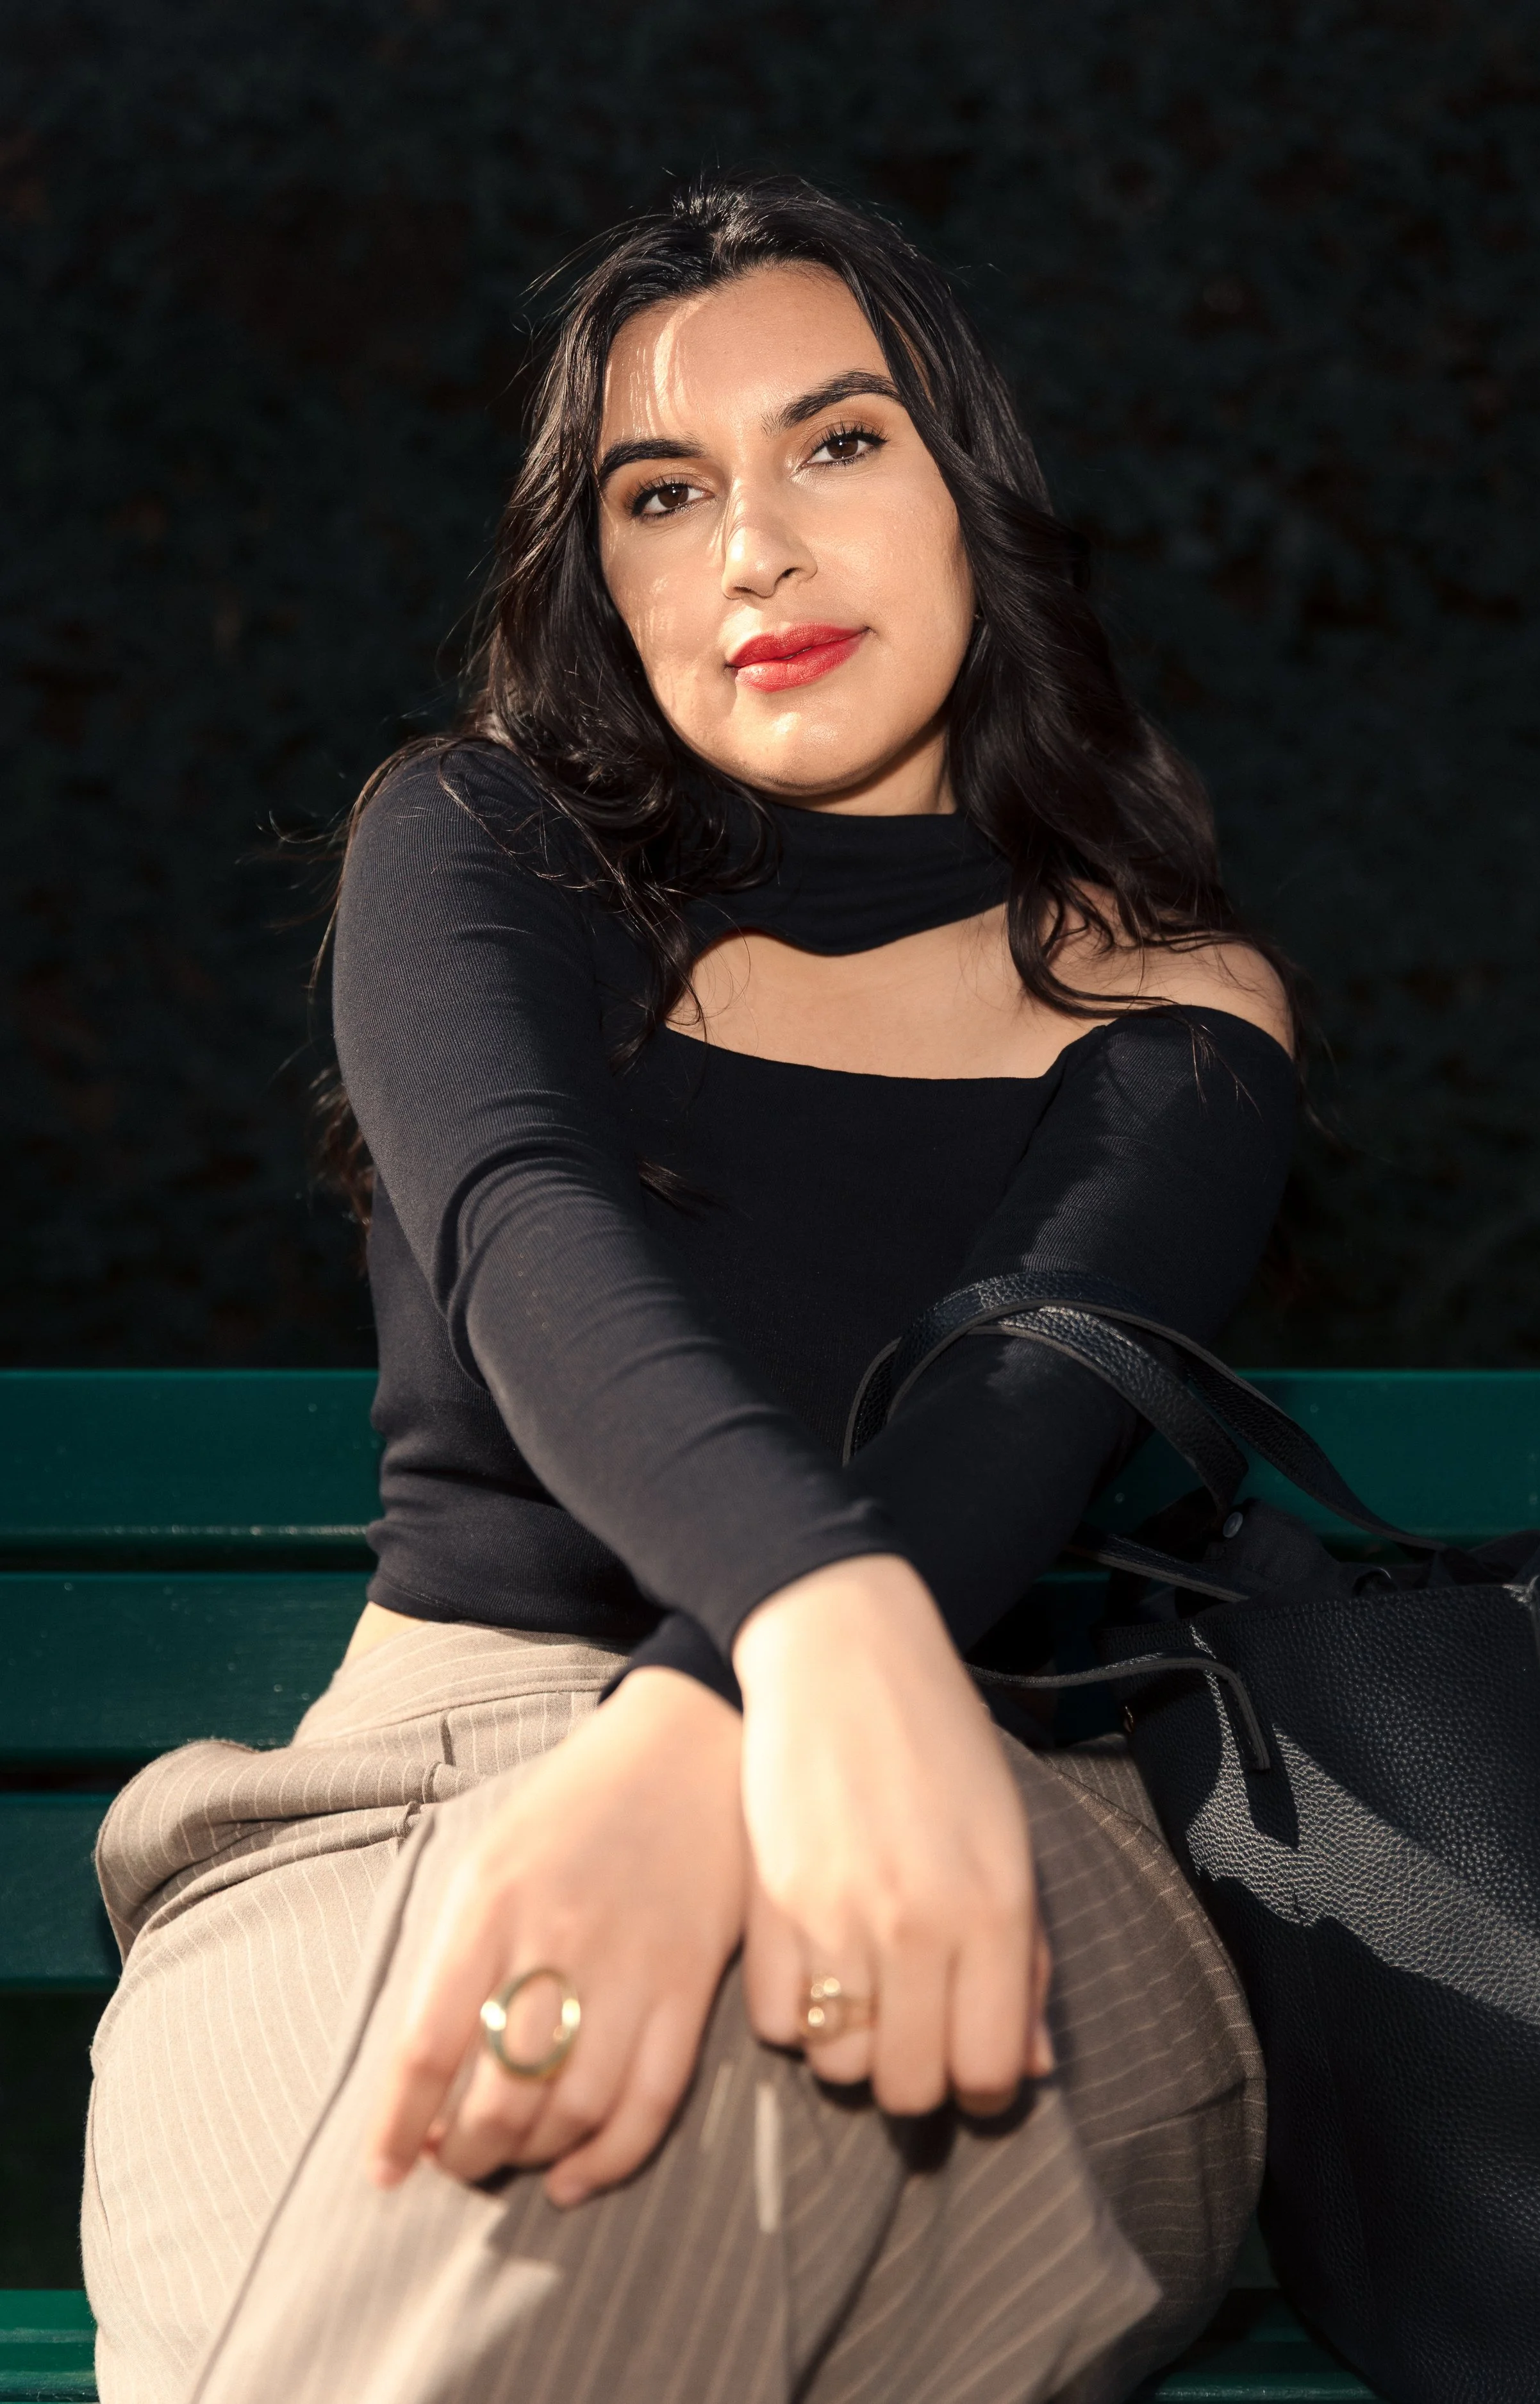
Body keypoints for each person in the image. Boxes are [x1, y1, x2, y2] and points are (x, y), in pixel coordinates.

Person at [83, 175, 1297, 2404]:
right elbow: (525, 1226)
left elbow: (998, 1436)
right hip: (380, 1827)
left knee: (561, 2216)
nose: (751, 545)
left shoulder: (1158, 1008)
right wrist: (786, 1643)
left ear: (970, 490)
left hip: (967, 1802)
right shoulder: (477, 846)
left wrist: (732, 1708)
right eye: (664, 490)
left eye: (835, 443)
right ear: (604, 574)